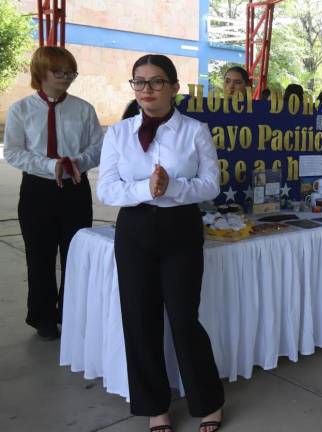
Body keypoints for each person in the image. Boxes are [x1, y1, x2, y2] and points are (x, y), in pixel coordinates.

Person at [97, 54, 224, 432]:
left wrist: (175, 187)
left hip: (180, 228)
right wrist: (143, 188)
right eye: (139, 82)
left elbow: (212, 185)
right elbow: (106, 188)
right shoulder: (119, 133)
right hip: (135, 230)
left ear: (174, 87)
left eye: (155, 82)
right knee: (140, 318)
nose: (147, 89)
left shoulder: (195, 131)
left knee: (184, 319)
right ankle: (156, 406)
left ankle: (208, 401)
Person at [3, 46, 102, 340]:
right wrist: (49, 165)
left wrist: (76, 163)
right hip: (37, 190)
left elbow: (97, 147)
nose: (66, 77)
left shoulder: (83, 109)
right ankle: (42, 317)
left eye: (71, 72)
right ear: (41, 72)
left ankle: (70, 315)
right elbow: (13, 152)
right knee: (39, 256)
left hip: (74, 187)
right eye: (58, 71)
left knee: (75, 254)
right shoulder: (21, 110)